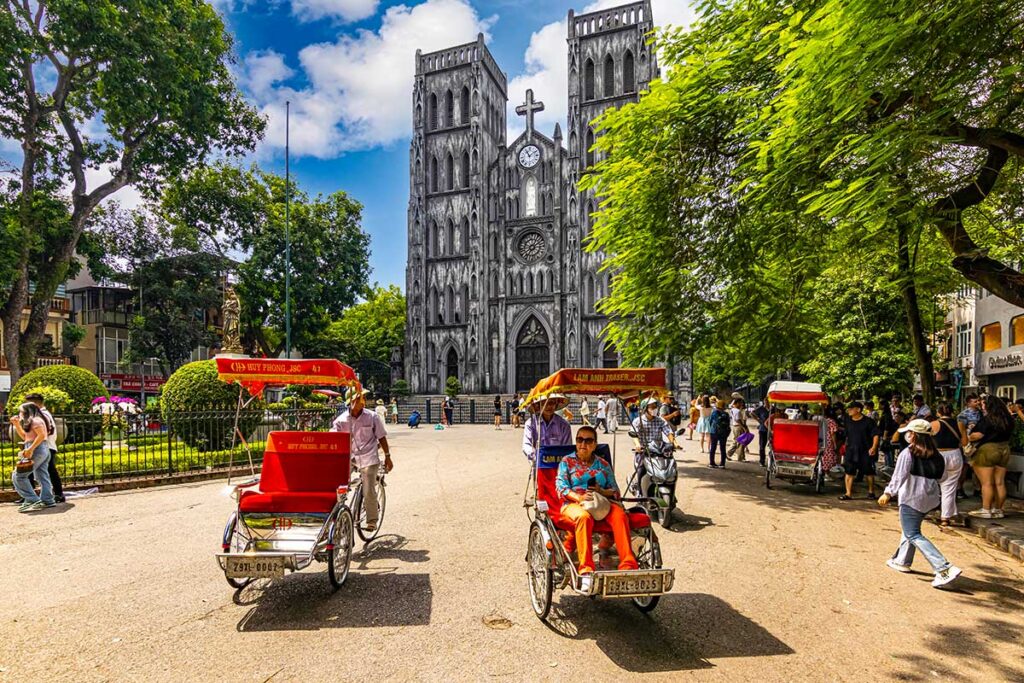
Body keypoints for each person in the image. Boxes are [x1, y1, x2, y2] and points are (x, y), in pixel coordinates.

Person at [878, 419, 962, 589]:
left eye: (909, 433)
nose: (907, 436)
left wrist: (888, 493)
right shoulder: (937, 455)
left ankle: (943, 568)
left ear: (914, 435)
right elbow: (943, 478)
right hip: (929, 499)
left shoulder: (908, 453)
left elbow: (898, 476)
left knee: (913, 533)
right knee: (910, 529)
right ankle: (902, 560)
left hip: (911, 498)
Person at [556, 425, 639, 592]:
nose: (583, 444)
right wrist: (579, 497)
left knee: (620, 515)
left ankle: (628, 565)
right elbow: (561, 488)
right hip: (573, 504)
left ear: (595, 444)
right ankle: (586, 570)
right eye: (580, 440)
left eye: (588, 440)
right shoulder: (567, 462)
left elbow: (615, 490)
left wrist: (601, 491)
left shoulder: (602, 464)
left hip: (601, 503)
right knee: (583, 517)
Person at [331, 387, 393, 532]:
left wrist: (388, 456)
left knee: (368, 488)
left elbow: (381, 437)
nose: (364, 401)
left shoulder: (372, 417)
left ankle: (372, 519)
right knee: (337, 483)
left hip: (369, 456)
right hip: (350, 456)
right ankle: (338, 514)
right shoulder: (341, 421)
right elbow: (333, 438)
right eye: (361, 398)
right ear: (352, 402)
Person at [967, 395, 1015, 519]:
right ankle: (998, 510)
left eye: (983, 404)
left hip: (988, 449)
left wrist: (969, 436)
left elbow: (978, 435)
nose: (982, 406)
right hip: (1004, 449)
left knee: (987, 483)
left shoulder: (987, 419)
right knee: (1000, 482)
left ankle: (986, 509)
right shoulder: (1008, 419)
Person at [10, 403, 56, 512]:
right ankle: (48, 500)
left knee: (18, 476)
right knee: (42, 475)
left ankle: (32, 499)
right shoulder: (35, 421)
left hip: (37, 450)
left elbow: (41, 436)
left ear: (27, 412)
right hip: (41, 449)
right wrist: (16, 424)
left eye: (21, 411)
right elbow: (25, 437)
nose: (20, 414)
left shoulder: (36, 421)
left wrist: (30, 449)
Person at [24, 391, 64, 503]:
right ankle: (55, 494)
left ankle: (32, 496)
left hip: (45, 446)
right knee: (46, 471)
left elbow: (45, 433)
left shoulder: (42, 415)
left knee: (31, 471)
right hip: (46, 446)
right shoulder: (41, 414)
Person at [930, 403, 964, 527]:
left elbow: (927, 440)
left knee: (937, 485)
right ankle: (949, 513)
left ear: (938, 412)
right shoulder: (959, 424)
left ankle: (943, 515)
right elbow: (964, 442)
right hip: (955, 454)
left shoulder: (933, 424)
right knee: (949, 487)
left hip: (939, 455)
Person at [839, 401, 879, 501]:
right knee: (849, 471)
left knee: (868, 471)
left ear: (858, 410)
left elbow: (876, 434)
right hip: (851, 450)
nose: (849, 410)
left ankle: (871, 492)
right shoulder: (847, 420)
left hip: (865, 450)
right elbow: (845, 435)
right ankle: (848, 493)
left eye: (851, 409)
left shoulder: (869, 421)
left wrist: (874, 447)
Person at [522, 394, 572, 461]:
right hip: (537, 464)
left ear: (556, 404)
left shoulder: (564, 425)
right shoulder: (531, 423)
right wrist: (537, 456)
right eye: (543, 403)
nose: (548, 406)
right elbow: (526, 445)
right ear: (538, 406)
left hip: (558, 465)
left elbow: (567, 448)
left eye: (551, 403)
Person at [708, 398, 730, 468]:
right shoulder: (726, 414)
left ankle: (712, 463)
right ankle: (722, 464)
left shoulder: (714, 412)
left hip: (714, 431)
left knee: (713, 447)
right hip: (723, 432)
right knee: (723, 448)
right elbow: (728, 423)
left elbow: (710, 421)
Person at [726, 398, 750, 462]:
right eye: (740, 403)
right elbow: (738, 420)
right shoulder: (738, 411)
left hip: (735, 426)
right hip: (738, 427)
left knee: (736, 441)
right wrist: (744, 428)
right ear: (736, 403)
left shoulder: (733, 409)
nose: (741, 404)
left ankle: (734, 454)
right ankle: (737, 456)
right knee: (740, 442)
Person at [752, 401, 770, 467]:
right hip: (763, 429)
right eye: (766, 402)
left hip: (772, 430)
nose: (767, 403)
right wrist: (758, 420)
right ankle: (762, 461)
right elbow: (752, 413)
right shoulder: (761, 409)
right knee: (762, 446)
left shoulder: (773, 409)